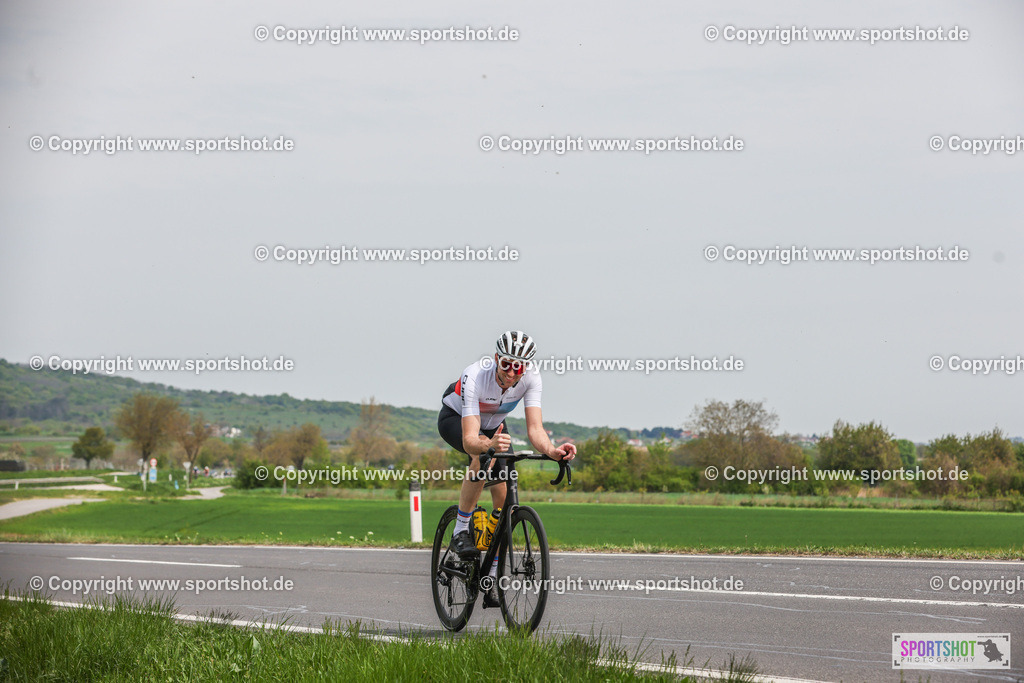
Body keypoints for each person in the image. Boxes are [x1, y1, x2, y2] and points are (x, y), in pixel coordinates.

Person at [437, 330, 576, 607]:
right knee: (479, 458)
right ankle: (461, 530)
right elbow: (469, 438)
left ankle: (491, 577)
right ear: (497, 358)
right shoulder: (475, 374)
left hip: (495, 427)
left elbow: (535, 429)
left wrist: (552, 451)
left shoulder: (531, 378)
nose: (512, 373)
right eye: (507, 364)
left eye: (518, 367)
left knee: (504, 504)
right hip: (458, 420)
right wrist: (486, 445)